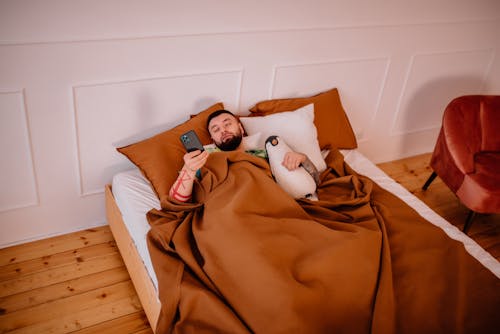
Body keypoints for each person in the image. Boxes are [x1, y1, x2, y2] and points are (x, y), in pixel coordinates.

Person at [169, 110, 315, 202]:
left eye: (228, 124)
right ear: (212, 139)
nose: (223, 130)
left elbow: (315, 180)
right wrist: (188, 170)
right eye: (216, 129)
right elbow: (176, 201)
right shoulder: (203, 160)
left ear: (240, 128)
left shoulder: (265, 153)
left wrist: (302, 158)